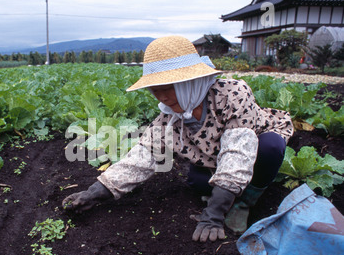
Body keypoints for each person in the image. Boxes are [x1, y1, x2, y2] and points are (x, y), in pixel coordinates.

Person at [62, 36, 294, 242]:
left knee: (270, 148)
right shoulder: (169, 117)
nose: (161, 96)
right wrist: (94, 192)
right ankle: (229, 193)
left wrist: (213, 216)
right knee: (196, 182)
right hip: (214, 156)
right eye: (155, 89)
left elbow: (238, 153)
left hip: (255, 145)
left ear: (189, 81)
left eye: (168, 87)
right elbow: (142, 157)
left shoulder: (232, 94)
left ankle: (245, 202)